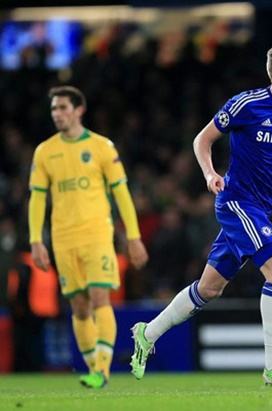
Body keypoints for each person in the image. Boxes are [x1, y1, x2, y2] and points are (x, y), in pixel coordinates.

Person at [129, 42, 272, 389]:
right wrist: (209, 174)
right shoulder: (247, 104)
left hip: (259, 209)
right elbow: (202, 140)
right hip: (236, 203)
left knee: (209, 288)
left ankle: (148, 333)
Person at [28, 86, 149, 388]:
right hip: (63, 239)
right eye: (54, 109)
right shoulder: (45, 151)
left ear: (79, 110)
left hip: (97, 235)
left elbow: (122, 194)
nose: (57, 114)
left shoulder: (102, 147)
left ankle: (102, 371)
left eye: (63, 108)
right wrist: (36, 240)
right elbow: (37, 198)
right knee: (79, 307)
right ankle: (94, 367)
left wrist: (133, 236)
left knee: (99, 297)